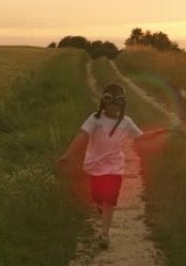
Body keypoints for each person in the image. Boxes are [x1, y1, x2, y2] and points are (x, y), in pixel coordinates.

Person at [58, 83, 169, 249]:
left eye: (117, 103)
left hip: (115, 167)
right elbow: (82, 136)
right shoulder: (95, 119)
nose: (113, 107)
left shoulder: (126, 122)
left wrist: (158, 132)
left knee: (109, 199)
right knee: (98, 197)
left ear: (122, 104)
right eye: (110, 102)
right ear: (104, 102)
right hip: (94, 165)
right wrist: (67, 155)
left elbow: (141, 136)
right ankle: (99, 206)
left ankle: (105, 234)